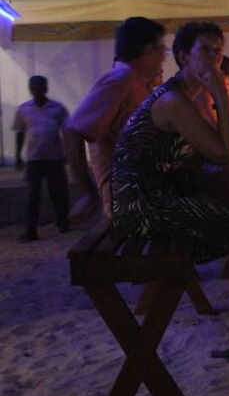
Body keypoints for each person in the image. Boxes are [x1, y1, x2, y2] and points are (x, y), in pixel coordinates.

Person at [110, 22, 229, 263]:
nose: (214, 57)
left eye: (218, 51)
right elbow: (225, 154)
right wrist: (221, 94)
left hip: (159, 197)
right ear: (184, 57)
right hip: (140, 207)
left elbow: (221, 146)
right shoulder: (173, 100)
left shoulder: (189, 96)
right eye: (205, 50)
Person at [66, 17, 166, 219]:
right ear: (148, 50)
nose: (163, 58)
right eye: (162, 50)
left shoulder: (137, 82)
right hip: (128, 201)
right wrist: (87, 193)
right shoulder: (120, 79)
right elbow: (72, 132)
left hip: (142, 194)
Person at [12, 76, 70, 241]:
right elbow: (20, 133)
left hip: (54, 158)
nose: (37, 91)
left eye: (40, 87)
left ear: (46, 88)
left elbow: (67, 132)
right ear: (30, 89)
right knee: (32, 196)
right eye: (34, 88)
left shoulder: (58, 108)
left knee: (58, 192)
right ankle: (30, 230)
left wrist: (67, 152)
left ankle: (62, 223)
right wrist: (18, 156)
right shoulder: (24, 109)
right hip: (34, 159)